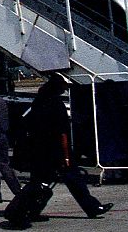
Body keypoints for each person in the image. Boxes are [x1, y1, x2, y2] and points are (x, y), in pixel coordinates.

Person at [15, 73, 112, 224]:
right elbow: (62, 132)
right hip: (57, 151)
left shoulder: (39, 102)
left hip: (39, 150)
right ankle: (92, 207)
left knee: (38, 183)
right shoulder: (56, 104)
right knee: (74, 181)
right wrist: (66, 155)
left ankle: (31, 210)